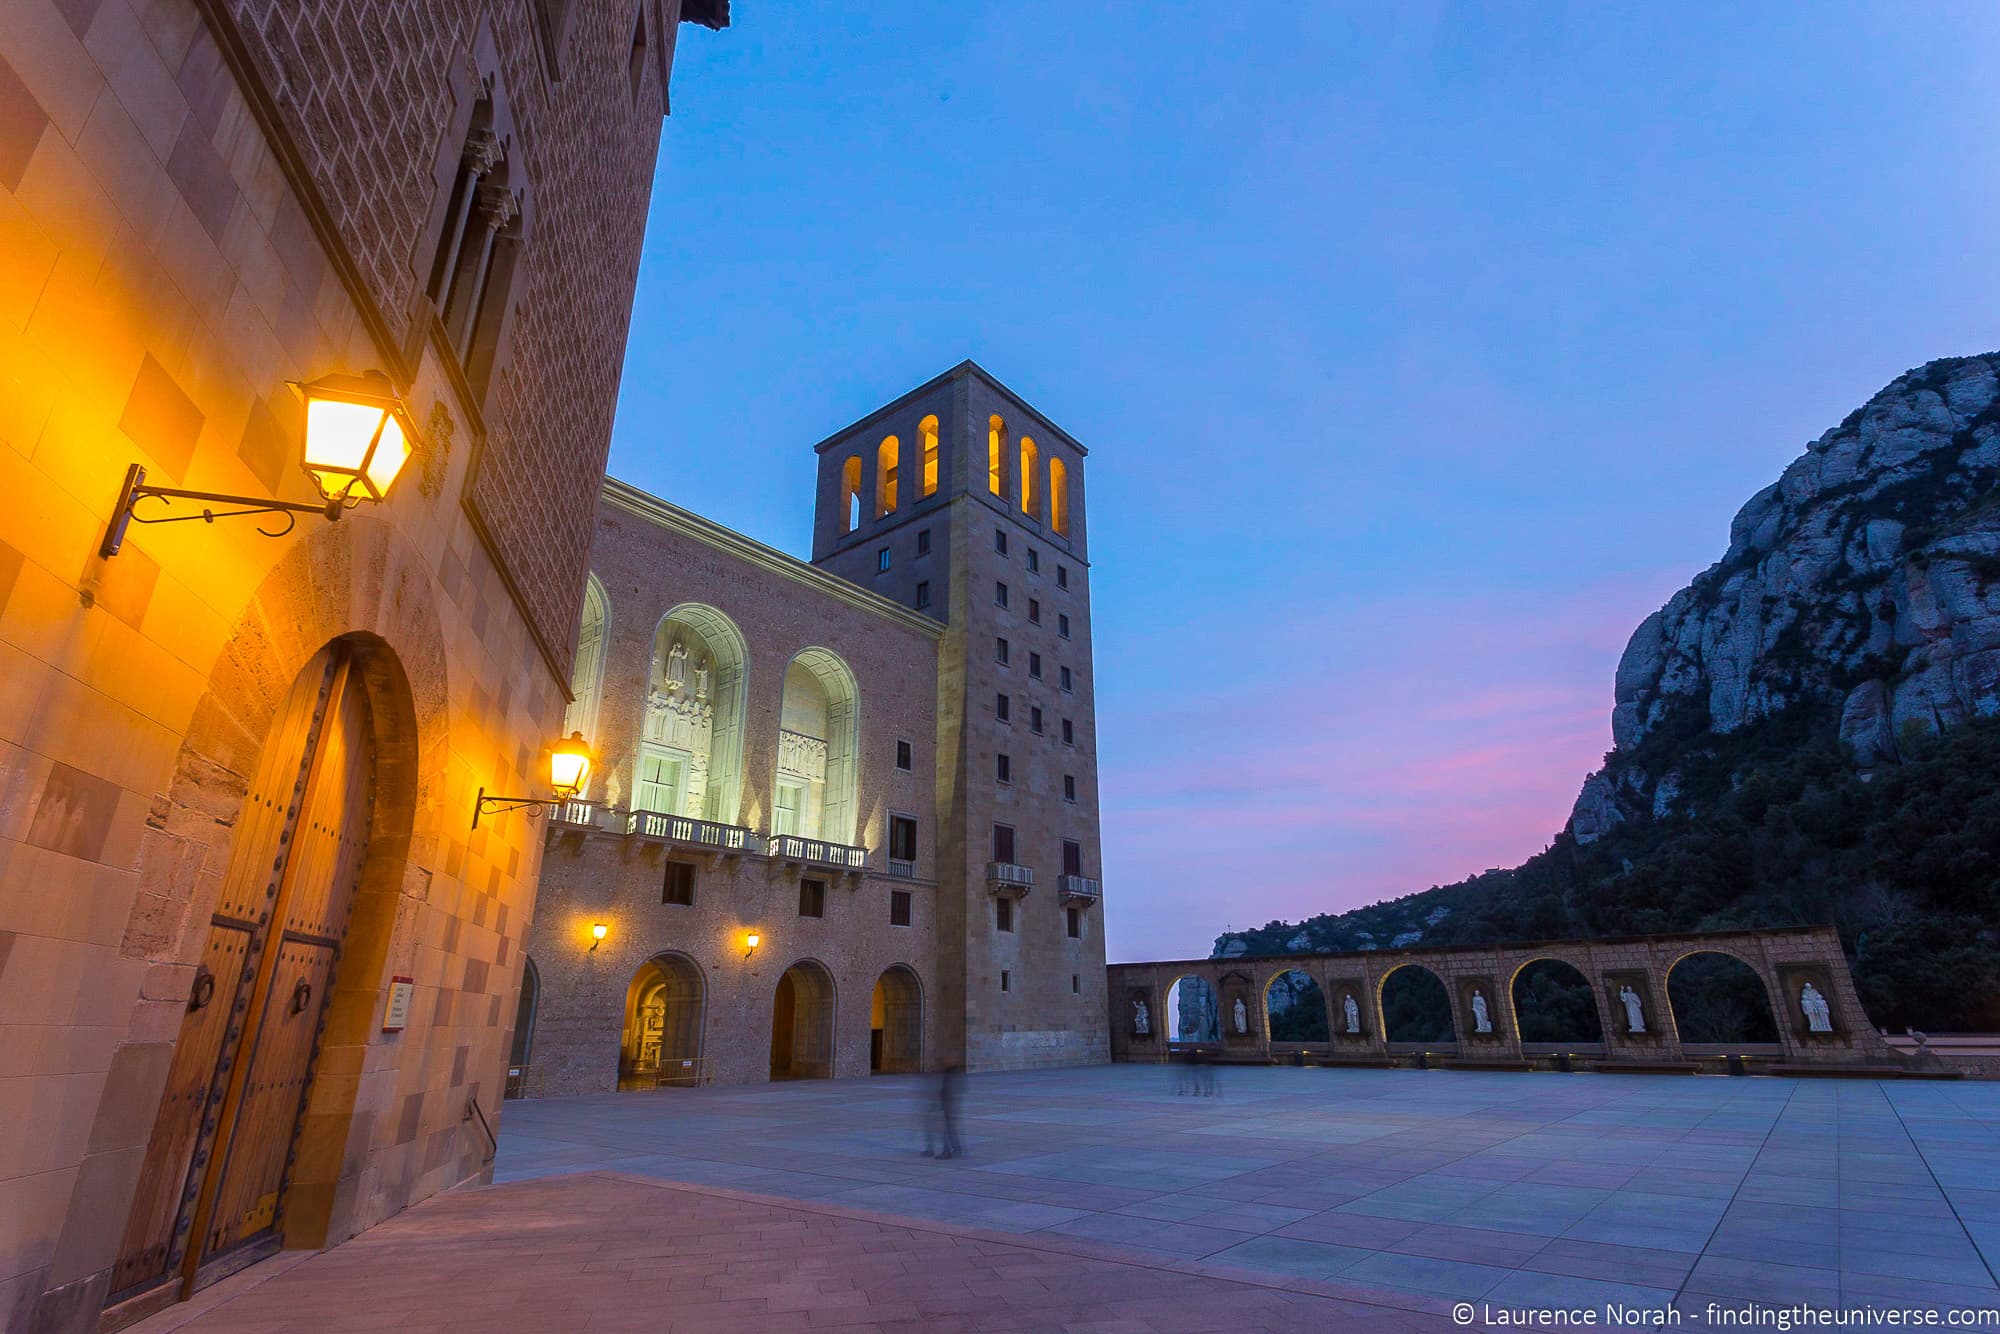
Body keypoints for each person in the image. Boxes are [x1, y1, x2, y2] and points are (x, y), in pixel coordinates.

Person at [925, 1061, 965, 1159]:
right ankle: (957, 1149)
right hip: (948, 1105)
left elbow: (949, 1091)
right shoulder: (951, 1072)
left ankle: (946, 1152)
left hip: (948, 1105)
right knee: (949, 1128)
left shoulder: (951, 1073)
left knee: (945, 1129)